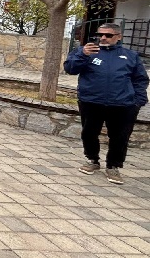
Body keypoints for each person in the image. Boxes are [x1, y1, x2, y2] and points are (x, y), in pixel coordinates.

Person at [64, 23, 149, 185]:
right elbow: (70, 69)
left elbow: (140, 80)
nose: (103, 38)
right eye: (100, 34)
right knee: (89, 133)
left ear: (118, 37)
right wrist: (82, 54)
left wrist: (137, 102)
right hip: (91, 101)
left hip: (122, 104)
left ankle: (113, 166)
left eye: (108, 35)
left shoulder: (130, 56)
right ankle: (92, 159)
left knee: (120, 137)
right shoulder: (86, 51)